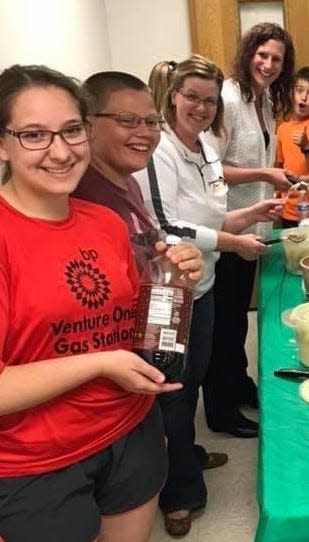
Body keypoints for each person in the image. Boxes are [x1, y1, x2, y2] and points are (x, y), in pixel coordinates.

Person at [0, 65, 183, 542]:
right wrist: (100, 364)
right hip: (36, 463)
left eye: (71, 130)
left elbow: (131, 326)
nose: (60, 151)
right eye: (34, 135)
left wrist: (172, 283)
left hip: (129, 430)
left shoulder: (104, 222)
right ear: (2, 144)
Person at [133, 55, 282, 536]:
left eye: (209, 100)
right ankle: (178, 493)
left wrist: (255, 210)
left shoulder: (209, 150)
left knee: (193, 379)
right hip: (167, 290)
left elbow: (214, 217)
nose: (199, 106)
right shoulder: (160, 150)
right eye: (191, 96)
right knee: (172, 391)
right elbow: (165, 225)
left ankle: (186, 455)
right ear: (173, 95)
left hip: (207, 282)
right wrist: (235, 243)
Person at [203, 22, 295, 439]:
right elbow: (212, 168)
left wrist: (271, 190)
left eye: (277, 58)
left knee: (239, 318)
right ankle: (221, 412)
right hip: (225, 229)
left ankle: (238, 385)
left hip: (251, 227)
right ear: (248, 54)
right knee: (224, 323)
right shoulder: (227, 97)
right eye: (262, 55)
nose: (269, 64)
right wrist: (264, 173)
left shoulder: (263, 101)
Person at [275, 66, 309, 226]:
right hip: (289, 212)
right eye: (299, 90)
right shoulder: (282, 128)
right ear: (292, 92)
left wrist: (306, 147)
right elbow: (280, 167)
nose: (304, 97)